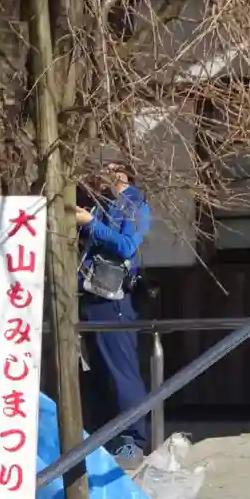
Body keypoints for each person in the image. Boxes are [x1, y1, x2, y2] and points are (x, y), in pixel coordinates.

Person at [76, 161, 152, 463]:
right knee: (99, 372)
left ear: (124, 173)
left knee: (122, 371)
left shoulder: (135, 205)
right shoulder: (101, 203)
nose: (101, 174)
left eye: (109, 168)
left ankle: (134, 439)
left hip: (114, 299)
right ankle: (109, 438)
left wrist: (90, 224)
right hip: (91, 295)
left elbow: (126, 246)